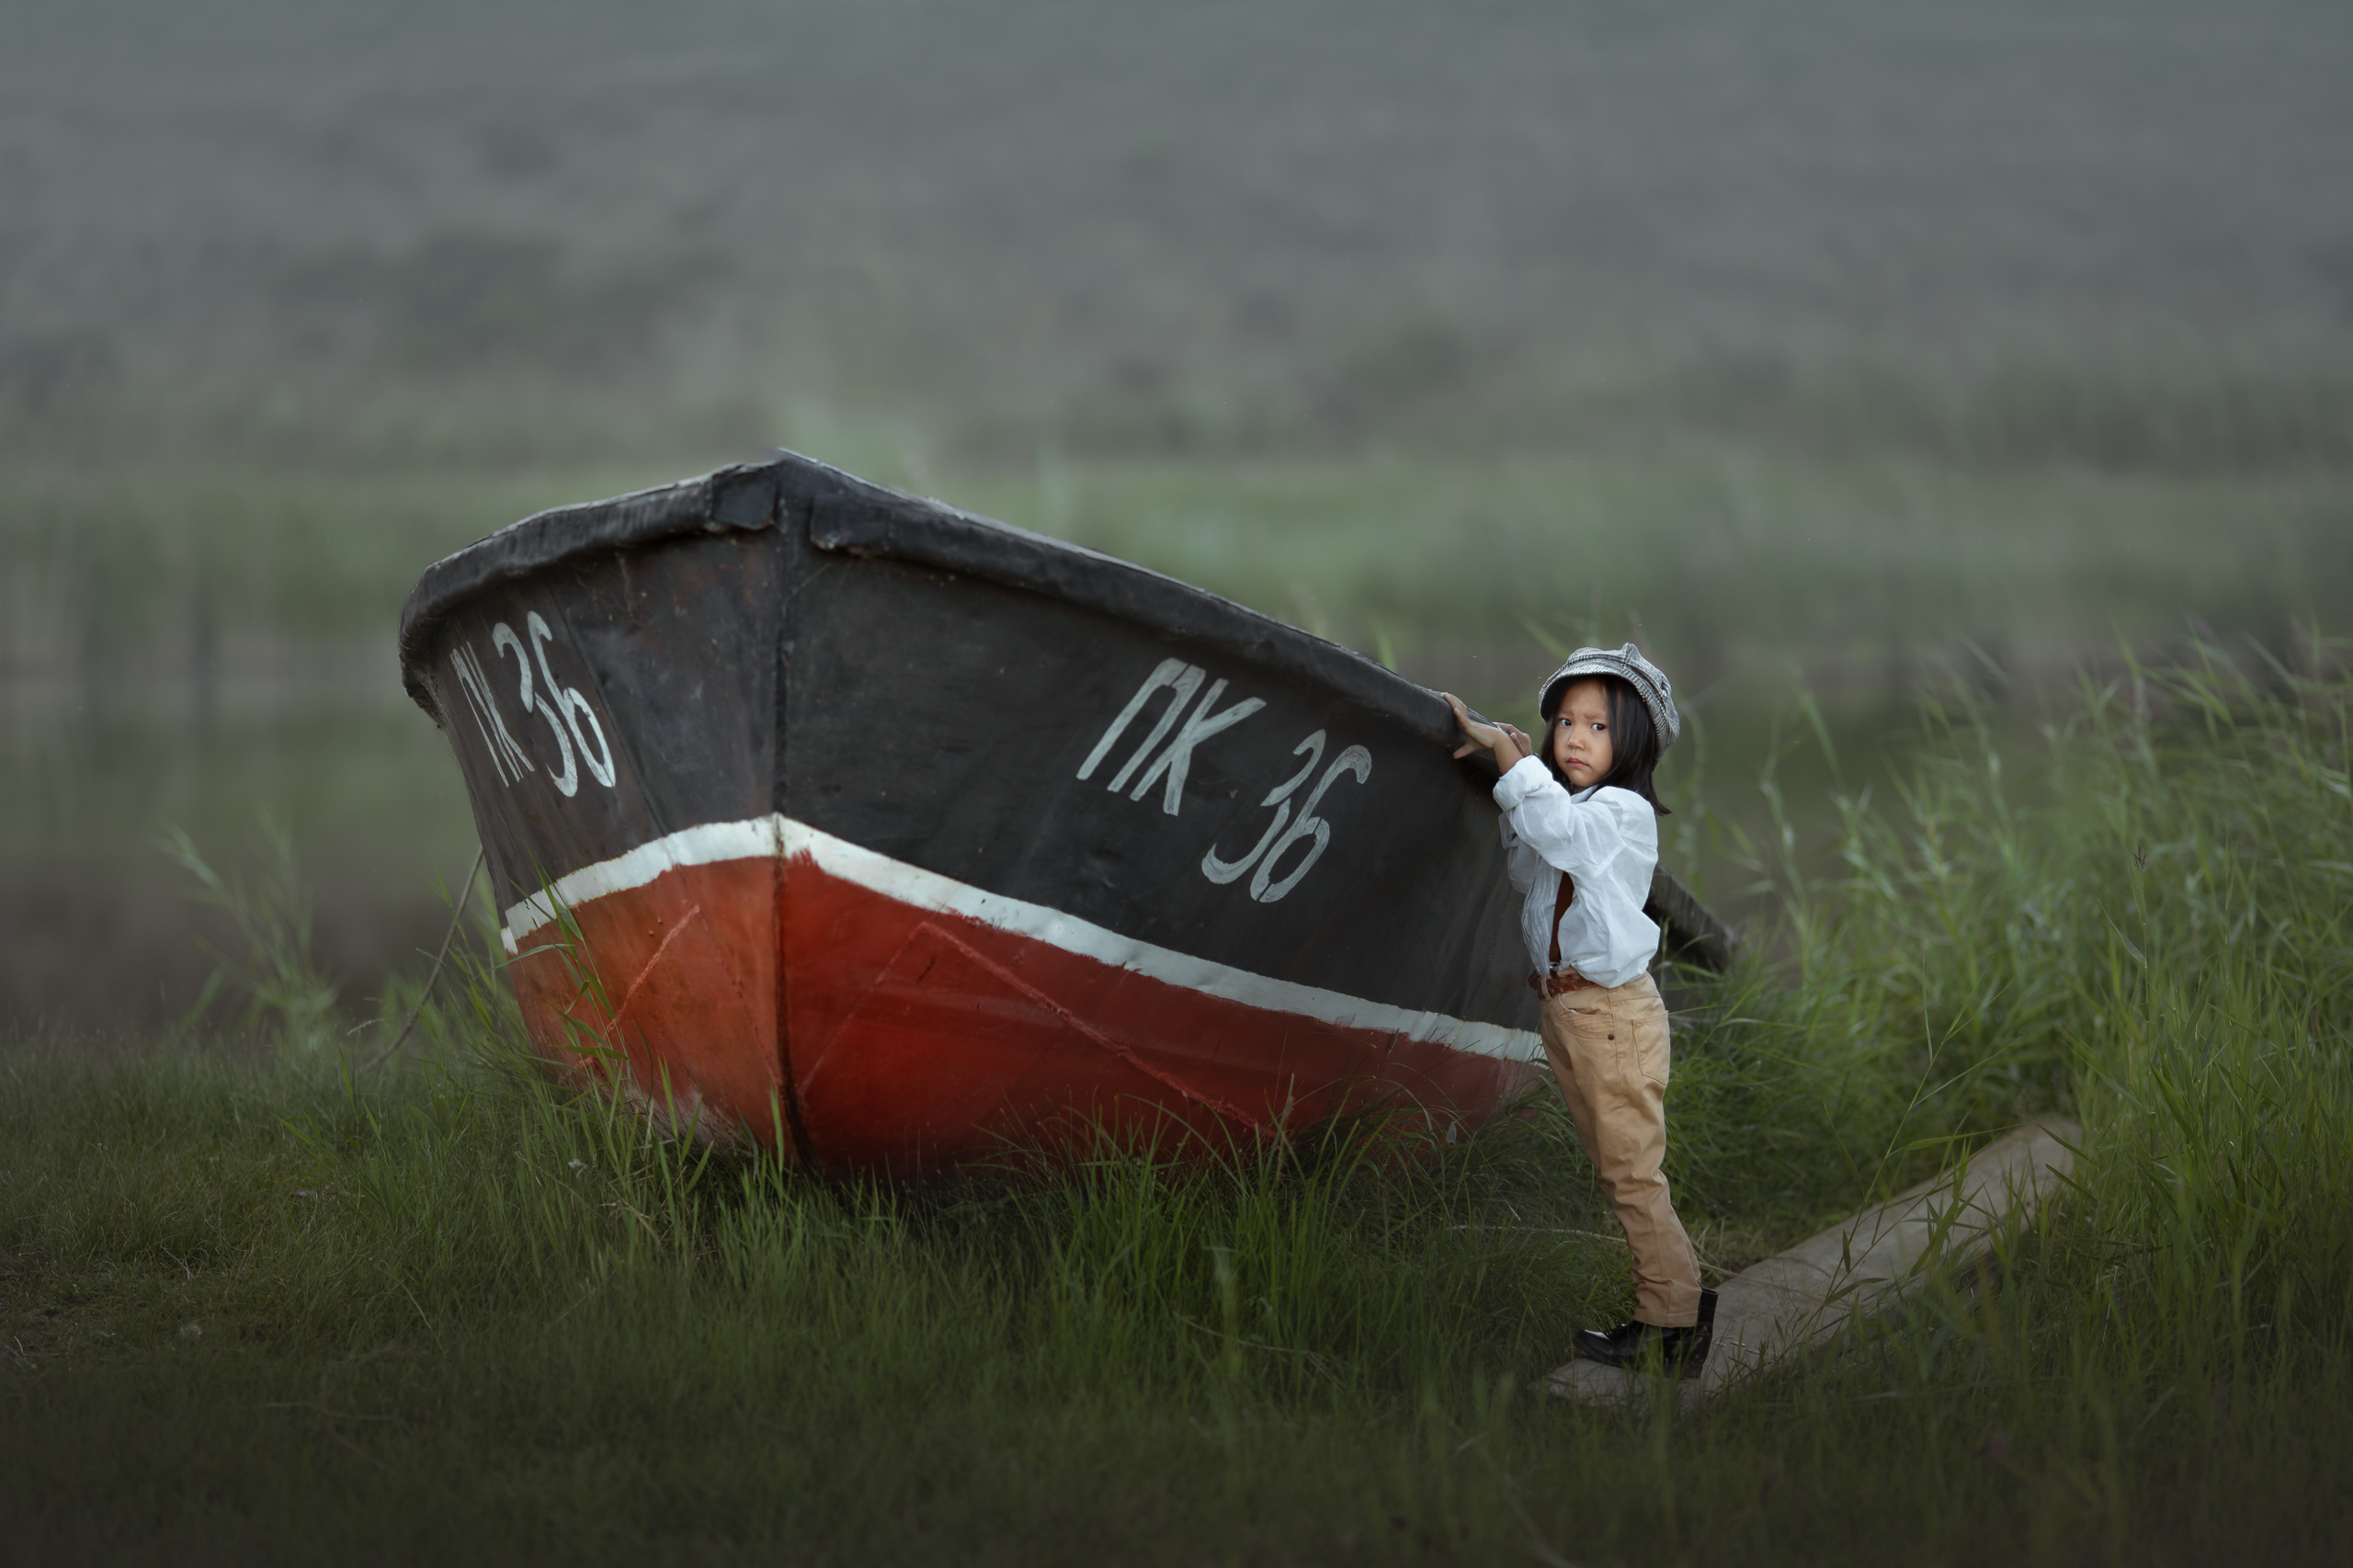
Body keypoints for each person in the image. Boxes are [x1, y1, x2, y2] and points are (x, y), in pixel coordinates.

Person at [1441, 642, 1717, 1377]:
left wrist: (1518, 769)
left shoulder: (1620, 815)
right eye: (1565, 722)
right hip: (1570, 1014)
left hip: (1611, 1015)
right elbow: (1535, 855)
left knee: (1632, 1174)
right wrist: (1515, 774)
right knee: (1617, 1170)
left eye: (1597, 726)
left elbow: (1564, 834)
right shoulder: (1571, 809)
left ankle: (1670, 1324)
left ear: (1634, 743)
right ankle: (1679, 1304)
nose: (1574, 738)